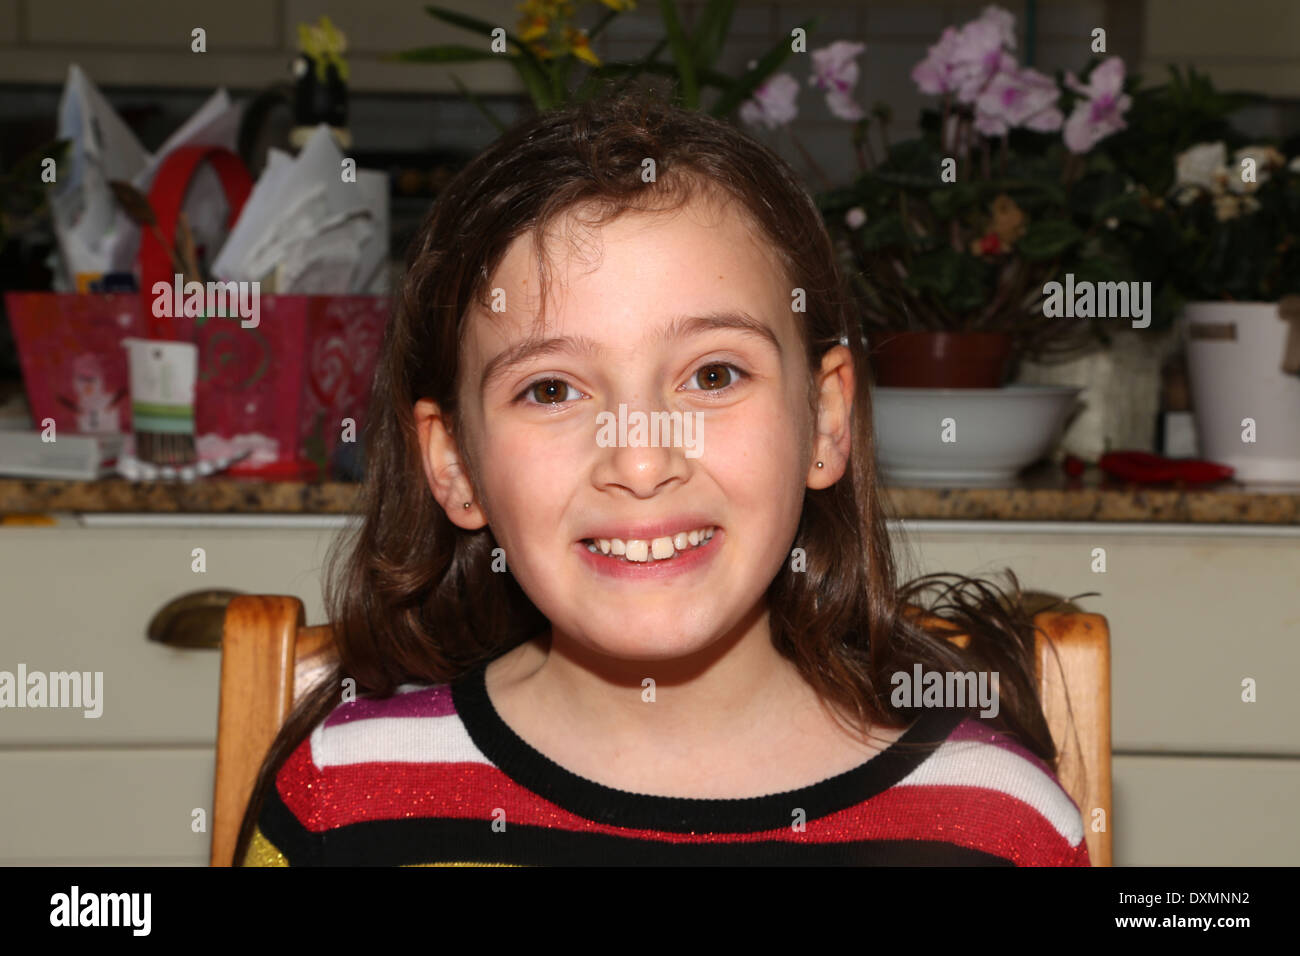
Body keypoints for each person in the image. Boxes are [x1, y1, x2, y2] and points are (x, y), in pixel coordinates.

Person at [236, 86, 1090, 867]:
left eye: (714, 376)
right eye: (551, 390)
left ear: (826, 419)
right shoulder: (342, 802)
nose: (641, 460)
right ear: (454, 465)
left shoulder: (996, 825)